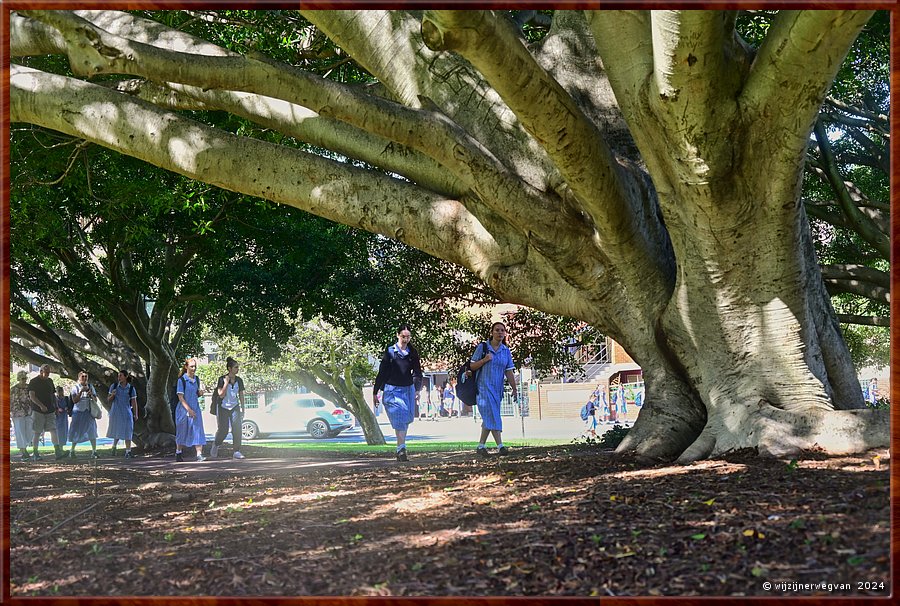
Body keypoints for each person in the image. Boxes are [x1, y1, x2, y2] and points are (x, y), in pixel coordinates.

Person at [373, 325, 423, 462]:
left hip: (408, 389)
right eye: (403, 336)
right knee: (400, 419)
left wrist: (417, 389)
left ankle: (400, 447)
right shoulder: (390, 352)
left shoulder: (412, 352)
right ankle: (401, 449)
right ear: (398, 335)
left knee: (407, 419)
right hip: (392, 390)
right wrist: (375, 392)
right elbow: (382, 372)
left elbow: (417, 372)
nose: (406, 339)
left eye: (408, 337)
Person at [468, 322, 518, 457]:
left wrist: (514, 388)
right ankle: (500, 446)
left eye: (502, 330)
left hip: (497, 389)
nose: (500, 333)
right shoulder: (483, 347)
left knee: (489, 416)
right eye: (497, 330)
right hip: (483, 388)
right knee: (493, 415)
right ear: (492, 332)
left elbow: (509, 371)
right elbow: (472, 366)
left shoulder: (505, 351)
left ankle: (481, 446)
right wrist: (484, 360)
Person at [211, 356, 246, 460]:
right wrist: (226, 383)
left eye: (238, 367)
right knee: (223, 430)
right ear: (230, 369)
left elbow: (241, 395)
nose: (237, 369)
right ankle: (216, 444)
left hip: (234, 407)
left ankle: (236, 451)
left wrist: (243, 409)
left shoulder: (239, 380)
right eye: (235, 367)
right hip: (223, 407)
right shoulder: (221, 379)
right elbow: (221, 395)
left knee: (237, 428)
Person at [29, 364, 64, 460]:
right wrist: (41, 405)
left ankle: (57, 451)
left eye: (49, 372)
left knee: (53, 429)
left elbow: (53, 395)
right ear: (41, 371)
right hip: (38, 411)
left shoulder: (50, 381)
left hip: (50, 410)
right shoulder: (33, 382)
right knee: (37, 432)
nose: (48, 374)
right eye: (46, 372)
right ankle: (35, 453)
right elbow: (32, 396)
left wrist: (56, 407)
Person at [175, 358, 206, 462]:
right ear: (186, 367)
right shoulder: (182, 380)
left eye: (195, 366)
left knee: (198, 430)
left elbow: (195, 394)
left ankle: (199, 454)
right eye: (192, 366)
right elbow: (181, 397)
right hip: (183, 410)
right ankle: (178, 452)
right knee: (182, 431)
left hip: (195, 408)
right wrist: (189, 410)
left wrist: (200, 393)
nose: (194, 368)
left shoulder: (196, 379)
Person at [68, 370, 99, 458]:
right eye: (83, 377)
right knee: (76, 431)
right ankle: (72, 450)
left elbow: (95, 400)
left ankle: (94, 451)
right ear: (79, 378)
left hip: (88, 412)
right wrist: (81, 391)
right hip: (78, 412)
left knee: (92, 430)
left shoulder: (90, 387)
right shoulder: (75, 387)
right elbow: (74, 400)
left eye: (86, 377)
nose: (84, 378)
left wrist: (91, 395)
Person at [107, 370, 138, 458]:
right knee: (117, 431)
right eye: (118, 376)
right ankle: (114, 447)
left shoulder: (131, 388)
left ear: (125, 377)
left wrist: (136, 414)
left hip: (126, 412)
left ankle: (128, 451)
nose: (119, 377)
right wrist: (112, 395)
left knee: (128, 430)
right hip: (116, 412)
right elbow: (108, 400)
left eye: (120, 376)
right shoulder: (114, 386)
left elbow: (134, 402)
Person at [10, 370, 35, 461]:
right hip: (17, 413)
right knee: (20, 431)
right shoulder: (13, 389)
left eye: (25, 378)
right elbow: (10, 402)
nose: (24, 380)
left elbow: (33, 399)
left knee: (30, 430)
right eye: (22, 378)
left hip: (28, 412)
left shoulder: (29, 388)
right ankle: (23, 451)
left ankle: (25, 447)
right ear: (18, 378)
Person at [54, 385, 71, 456]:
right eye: (59, 391)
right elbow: (53, 407)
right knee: (58, 432)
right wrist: (57, 409)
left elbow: (69, 406)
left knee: (64, 432)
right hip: (57, 418)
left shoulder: (66, 398)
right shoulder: (55, 399)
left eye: (61, 391)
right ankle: (58, 448)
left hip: (64, 417)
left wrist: (67, 408)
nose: (60, 393)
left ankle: (61, 447)